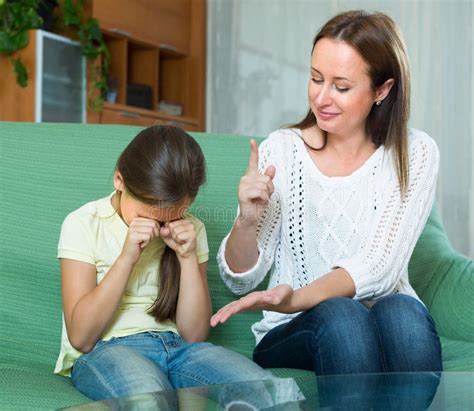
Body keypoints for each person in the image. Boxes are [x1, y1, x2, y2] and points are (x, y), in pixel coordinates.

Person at [211, 10, 443, 378]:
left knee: (404, 314)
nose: (322, 98)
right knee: (343, 316)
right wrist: (247, 219)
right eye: (316, 79)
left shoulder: (415, 153)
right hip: (294, 331)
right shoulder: (283, 150)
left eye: (342, 86)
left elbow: (381, 269)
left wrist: (296, 297)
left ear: (382, 90)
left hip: (357, 317)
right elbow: (240, 279)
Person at [54, 125, 279, 404]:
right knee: (150, 399)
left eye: (171, 217)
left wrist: (186, 257)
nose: (161, 228)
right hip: (106, 350)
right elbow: (81, 338)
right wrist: (127, 258)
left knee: (269, 391)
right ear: (119, 181)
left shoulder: (191, 229)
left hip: (180, 348)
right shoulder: (84, 223)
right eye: (147, 216)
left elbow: (194, 334)